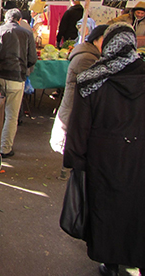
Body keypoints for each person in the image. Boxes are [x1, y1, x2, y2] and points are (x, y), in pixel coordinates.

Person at [63, 23, 145, 276]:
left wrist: (75, 158)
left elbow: (79, 125)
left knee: (106, 207)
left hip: (104, 158)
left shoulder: (92, 79)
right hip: (140, 157)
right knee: (139, 207)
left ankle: (110, 264)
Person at [50, 25, 108, 170]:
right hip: (75, 110)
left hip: (75, 109)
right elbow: (92, 87)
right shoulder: (87, 58)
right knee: (73, 148)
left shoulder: (88, 54)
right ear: (96, 39)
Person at [0, 8, 37, 158]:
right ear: (19, 20)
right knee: (11, 116)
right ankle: (5, 148)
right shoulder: (27, 33)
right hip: (16, 79)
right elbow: (32, 58)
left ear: (6, 19)